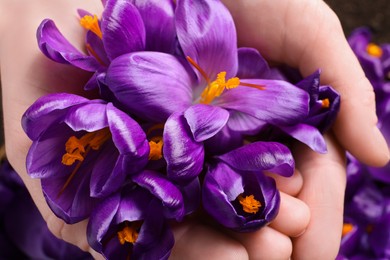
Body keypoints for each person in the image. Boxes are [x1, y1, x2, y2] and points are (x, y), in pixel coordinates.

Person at [0, 0, 388, 259]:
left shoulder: (204, 117)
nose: (75, 149)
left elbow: (268, 104)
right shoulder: (165, 93)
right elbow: (128, 77)